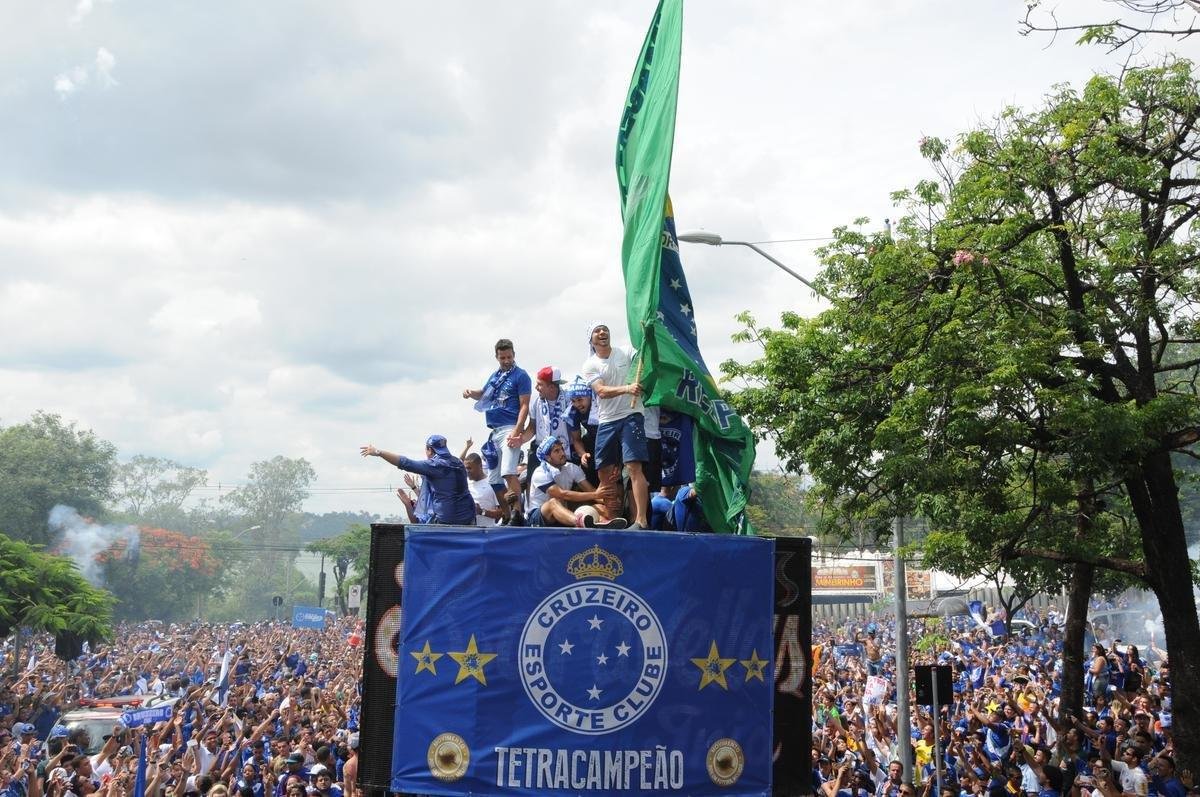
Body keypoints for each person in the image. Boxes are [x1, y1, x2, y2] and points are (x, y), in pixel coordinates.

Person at [581, 322, 649, 528]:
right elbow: (601, 391)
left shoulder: (626, 351)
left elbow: (644, 359)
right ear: (591, 339)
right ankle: (610, 515)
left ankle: (641, 520)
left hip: (631, 415)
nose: (602, 333)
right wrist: (628, 388)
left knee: (633, 466)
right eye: (597, 331)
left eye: (605, 329)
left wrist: (648, 337)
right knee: (604, 471)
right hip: (607, 420)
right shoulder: (590, 365)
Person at [462, 339, 531, 525]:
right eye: (502, 358)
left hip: (510, 427)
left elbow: (525, 405)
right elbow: (483, 394)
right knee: (494, 479)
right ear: (497, 357)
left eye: (509, 357)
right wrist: (470, 393)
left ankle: (518, 513)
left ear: (514, 355)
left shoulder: (521, 375)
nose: (506, 360)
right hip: (494, 431)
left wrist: (517, 430)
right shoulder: (495, 376)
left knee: (509, 472)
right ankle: (507, 514)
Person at [360, 436, 474, 525]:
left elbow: (406, 463)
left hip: (447, 521)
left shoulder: (435, 465)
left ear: (429, 450)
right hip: (468, 518)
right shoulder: (458, 463)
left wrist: (379, 452)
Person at [527, 438, 626, 529]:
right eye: (557, 451)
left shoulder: (572, 468)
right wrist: (596, 494)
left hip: (562, 515)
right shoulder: (540, 472)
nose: (562, 453)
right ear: (548, 458)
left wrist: (607, 502)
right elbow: (562, 494)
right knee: (553, 503)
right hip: (538, 517)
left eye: (562, 449)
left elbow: (591, 491)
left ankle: (603, 524)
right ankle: (579, 521)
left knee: (601, 508)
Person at [462, 453, 502, 527]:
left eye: (469, 468)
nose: (467, 471)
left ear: (480, 466)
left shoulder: (492, 483)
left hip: (487, 533)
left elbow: (501, 513)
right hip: (467, 531)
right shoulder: (465, 483)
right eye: (465, 468)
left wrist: (482, 511)